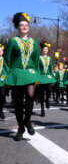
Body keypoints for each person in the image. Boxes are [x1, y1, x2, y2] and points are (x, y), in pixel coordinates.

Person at [4, 12, 40, 141]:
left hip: (29, 73)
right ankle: (20, 128)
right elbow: (6, 59)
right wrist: (6, 76)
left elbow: (36, 60)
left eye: (26, 25)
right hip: (16, 74)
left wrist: (36, 74)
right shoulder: (13, 41)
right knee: (18, 103)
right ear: (17, 28)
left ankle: (28, 121)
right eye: (21, 25)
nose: (24, 27)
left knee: (30, 95)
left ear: (29, 27)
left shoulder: (34, 42)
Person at [39, 40, 56, 117]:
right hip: (41, 77)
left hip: (48, 77)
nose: (46, 50)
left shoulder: (50, 58)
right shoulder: (39, 58)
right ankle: (42, 109)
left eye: (47, 49)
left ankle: (47, 100)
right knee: (42, 94)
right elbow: (37, 68)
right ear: (42, 49)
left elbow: (50, 68)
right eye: (44, 49)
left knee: (49, 90)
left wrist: (53, 77)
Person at [0, 44, 9, 120]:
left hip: (2, 81)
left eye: (1, 50)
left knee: (2, 96)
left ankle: (1, 110)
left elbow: (7, 69)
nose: (0, 51)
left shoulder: (4, 60)